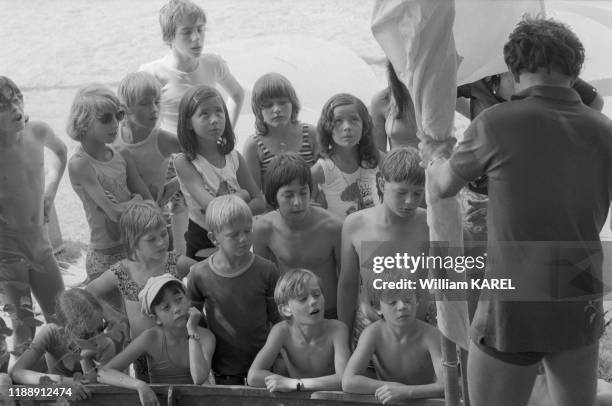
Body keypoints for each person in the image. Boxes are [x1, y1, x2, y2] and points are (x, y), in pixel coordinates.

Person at [421, 17, 612, 406]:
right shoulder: (603, 129)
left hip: (515, 296)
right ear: (574, 69)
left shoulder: (495, 123)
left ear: (514, 69)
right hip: (580, 289)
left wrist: (435, 154)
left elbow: (442, 186)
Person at [140, 0, 245, 256]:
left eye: (201, 29)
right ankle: (180, 261)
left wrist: (225, 133)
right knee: (177, 213)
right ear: (169, 37)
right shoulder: (153, 73)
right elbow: (143, 122)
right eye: (187, 32)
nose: (197, 37)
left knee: (217, 208)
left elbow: (237, 94)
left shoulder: (212, 63)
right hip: (173, 160)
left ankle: (220, 252)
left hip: (209, 153)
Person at [86, 200, 195, 381]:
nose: (161, 243)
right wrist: (112, 315)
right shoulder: (122, 271)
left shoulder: (174, 262)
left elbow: (203, 274)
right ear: (132, 241)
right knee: (147, 390)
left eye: (163, 234)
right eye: (151, 239)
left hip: (178, 347)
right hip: (141, 351)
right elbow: (87, 292)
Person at [337, 148, 434, 348]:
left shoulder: (430, 223)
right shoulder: (355, 225)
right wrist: (343, 343)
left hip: (421, 327)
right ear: (382, 183)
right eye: (401, 192)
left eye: (417, 193)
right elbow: (347, 285)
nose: (410, 201)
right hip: (371, 326)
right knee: (362, 378)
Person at [0, 76, 66, 355]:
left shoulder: (37, 131)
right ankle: (23, 392)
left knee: (61, 317)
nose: (15, 106)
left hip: (40, 243)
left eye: (16, 97)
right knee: (25, 326)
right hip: (8, 251)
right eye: (2, 105)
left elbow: (61, 153)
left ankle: (65, 383)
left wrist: (50, 192)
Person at [186, 195, 280, 385]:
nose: (243, 239)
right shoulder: (199, 275)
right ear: (214, 238)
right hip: (224, 373)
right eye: (233, 235)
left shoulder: (267, 270)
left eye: (247, 231)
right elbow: (196, 322)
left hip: (264, 370)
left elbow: (277, 320)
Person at [67, 84, 152, 284]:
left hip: (135, 247)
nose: (115, 124)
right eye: (106, 119)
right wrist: (136, 201)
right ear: (83, 123)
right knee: (120, 315)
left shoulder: (122, 154)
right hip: (105, 255)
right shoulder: (80, 164)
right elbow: (113, 213)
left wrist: (139, 201)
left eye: (118, 115)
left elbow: (148, 198)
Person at [174, 85, 265, 261]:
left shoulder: (234, 157)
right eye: (204, 114)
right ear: (188, 122)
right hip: (204, 241)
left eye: (219, 112)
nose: (214, 120)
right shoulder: (185, 161)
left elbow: (260, 203)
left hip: (239, 237)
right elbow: (212, 207)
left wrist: (234, 205)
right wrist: (242, 196)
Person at [98, 274, 215, 406]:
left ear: (188, 300)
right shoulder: (151, 338)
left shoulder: (206, 336)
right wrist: (139, 385)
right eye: (166, 307)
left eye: (179, 299)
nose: (176, 309)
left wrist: (192, 330)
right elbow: (103, 373)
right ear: (156, 319)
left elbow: (199, 378)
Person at [253, 153, 342, 318]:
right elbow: (262, 283)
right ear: (273, 197)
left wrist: (346, 321)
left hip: (330, 313)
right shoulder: (263, 228)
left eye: (303, 192)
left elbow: (348, 280)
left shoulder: (332, 227)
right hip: (291, 316)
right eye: (288, 195)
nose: (297, 202)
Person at [342, 269, 444, 403]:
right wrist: (392, 387)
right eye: (392, 302)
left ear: (417, 300)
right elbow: (348, 381)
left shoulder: (431, 335)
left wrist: (407, 392)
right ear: (377, 307)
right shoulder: (372, 334)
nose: (402, 306)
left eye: (408, 300)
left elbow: (447, 386)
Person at [10, 289, 122, 402]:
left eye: (101, 328)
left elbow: (100, 392)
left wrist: (85, 359)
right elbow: (16, 373)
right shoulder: (52, 333)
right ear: (65, 330)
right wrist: (62, 383)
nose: (97, 338)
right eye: (86, 335)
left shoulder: (106, 345)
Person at [247, 268, 350, 392]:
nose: (313, 301)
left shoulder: (337, 329)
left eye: (317, 295)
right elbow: (253, 376)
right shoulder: (281, 331)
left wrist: (295, 384)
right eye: (302, 299)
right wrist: (284, 382)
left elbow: (344, 379)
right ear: (286, 309)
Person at [115, 71, 181, 209]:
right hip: (123, 212)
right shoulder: (114, 136)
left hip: (154, 215)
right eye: (145, 104)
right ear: (125, 109)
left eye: (157, 102)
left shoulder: (162, 140)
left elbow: (201, 154)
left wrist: (178, 182)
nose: (154, 109)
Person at [311, 93, 382, 219]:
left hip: (374, 234)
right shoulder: (322, 169)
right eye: (338, 121)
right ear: (327, 127)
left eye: (354, 119)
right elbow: (310, 208)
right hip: (340, 236)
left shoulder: (374, 158)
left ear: (364, 125)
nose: (347, 127)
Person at [243, 72, 318, 191]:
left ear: (293, 104)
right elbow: (256, 196)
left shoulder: (311, 134)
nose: (276, 109)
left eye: (282, 102)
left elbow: (327, 180)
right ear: (258, 111)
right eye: (268, 105)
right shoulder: (253, 146)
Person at [370, 59, 419, 152]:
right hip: (400, 165)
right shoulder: (381, 100)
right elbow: (378, 153)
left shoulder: (442, 95)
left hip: (438, 165)